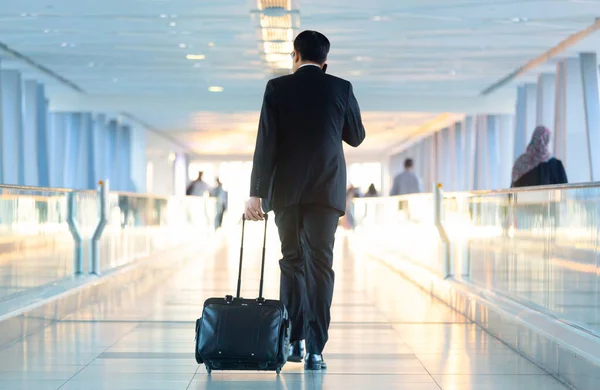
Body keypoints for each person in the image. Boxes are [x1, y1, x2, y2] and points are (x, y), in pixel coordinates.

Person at [243, 30, 365, 370]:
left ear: (294, 56)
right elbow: (356, 136)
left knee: (291, 261)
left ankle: (293, 340)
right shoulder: (340, 87)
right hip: (326, 192)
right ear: (325, 63)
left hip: (285, 192)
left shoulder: (277, 88)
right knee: (320, 267)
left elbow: (265, 141)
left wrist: (256, 192)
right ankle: (315, 349)